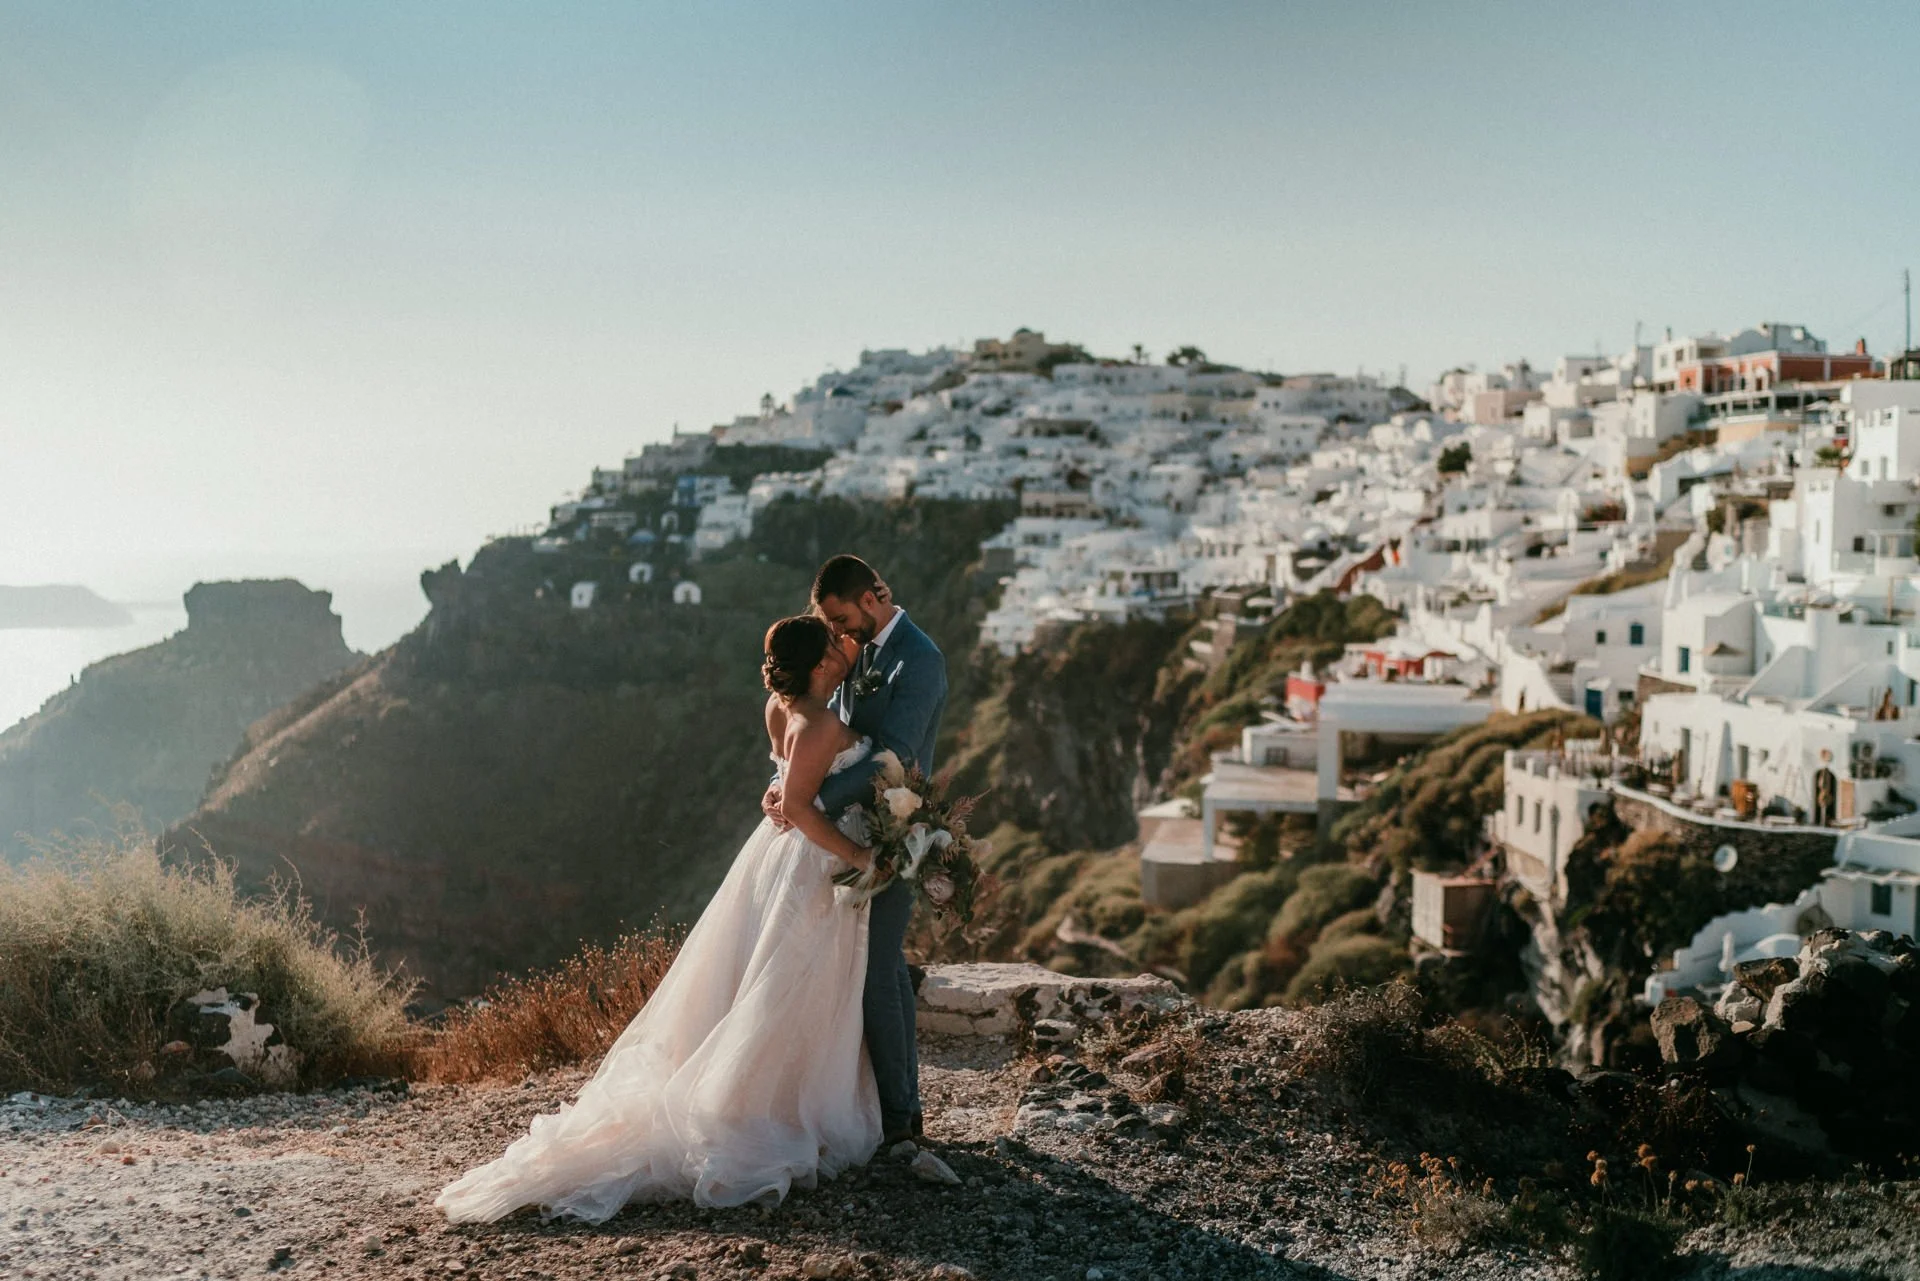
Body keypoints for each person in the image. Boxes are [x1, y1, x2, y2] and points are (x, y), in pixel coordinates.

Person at [435, 615, 881, 1223]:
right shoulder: (822, 720)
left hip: (772, 859)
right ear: (822, 664)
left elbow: (783, 780)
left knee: (761, 979)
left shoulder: (781, 710)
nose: (842, 645)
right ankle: (769, 1109)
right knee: (790, 985)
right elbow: (801, 805)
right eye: (833, 642)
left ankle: (755, 1097)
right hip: (812, 859)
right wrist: (858, 855)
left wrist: (780, 794)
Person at [762, 554, 948, 1146]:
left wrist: (806, 797)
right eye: (831, 626)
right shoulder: (857, 651)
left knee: (880, 970)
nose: (838, 634)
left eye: (842, 619)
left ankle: (899, 1118)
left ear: (871, 598)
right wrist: (786, 788)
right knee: (872, 969)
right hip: (838, 835)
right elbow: (818, 729)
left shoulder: (920, 660)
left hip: (891, 830)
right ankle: (895, 1111)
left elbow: (895, 753)